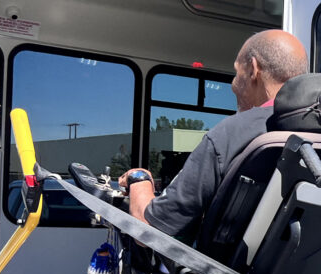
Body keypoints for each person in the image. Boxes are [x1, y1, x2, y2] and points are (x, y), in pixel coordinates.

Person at [119, 29, 308, 238]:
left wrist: (139, 179)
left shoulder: (231, 134)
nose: (233, 85)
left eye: (236, 72)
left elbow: (150, 229)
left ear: (253, 69)